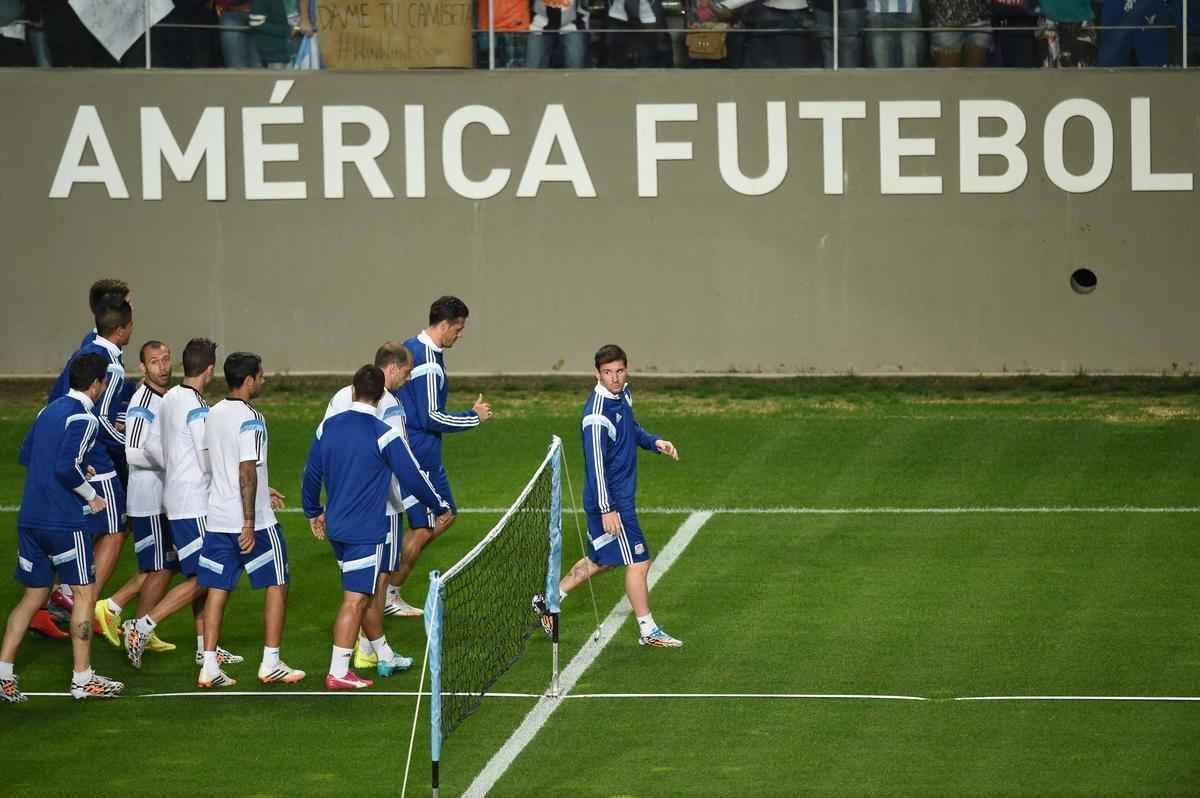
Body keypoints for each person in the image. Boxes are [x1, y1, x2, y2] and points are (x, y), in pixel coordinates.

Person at [303, 365, 452, 689]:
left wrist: (313, 510)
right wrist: (438, 504)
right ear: (382, 395)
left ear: (353, 391)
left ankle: (382, 653)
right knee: (356, 599)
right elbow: (412, 475)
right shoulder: (384, 432)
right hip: (366, 530)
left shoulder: (327, 428)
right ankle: (339, 672)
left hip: (338, 527)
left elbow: (312, 472)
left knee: (365, 593)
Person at [536, 344, 683, 648]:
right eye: (607, 373)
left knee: (601, 561)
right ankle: (648, 630)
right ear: (597, 374)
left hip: (611, 501)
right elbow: (596, 468)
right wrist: (608, 509)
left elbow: (632, 428)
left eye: (619, 371)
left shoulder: (623, 395)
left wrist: (655, 442)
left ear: (626, 370)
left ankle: (548, 601)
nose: (614, 378)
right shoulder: (596, 417)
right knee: (639, 562)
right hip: (612, 503)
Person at [2, 353, 125, 702]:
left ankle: (3, 673)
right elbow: (65, 468)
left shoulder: (48, 411)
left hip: (30, 518)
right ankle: (83, 679)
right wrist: (91, 495)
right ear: (98, 384)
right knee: (85, 594)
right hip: (64, 521)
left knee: (32, 597)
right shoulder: (84, 418)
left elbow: (29, 455)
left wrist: (75, 468)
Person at [124, 339, 244, 670]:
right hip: (194, 503)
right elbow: (207, 458)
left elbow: (152, 445)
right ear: (210, 369)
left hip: (177, 500)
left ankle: (205, 647)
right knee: (210, 575)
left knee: (202, 574)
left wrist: (175, 466)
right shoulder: (194, 405)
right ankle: (143, 625)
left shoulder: (173, 397)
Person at [196, 352, 302, 688]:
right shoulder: (252, 419)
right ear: (249, 380)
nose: (264, 380)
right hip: (253, 524)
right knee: (277, 583)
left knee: (216, 589)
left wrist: (262, 487)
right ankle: (271, 662)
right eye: (261, 375)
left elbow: (218, 464)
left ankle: (209, 665)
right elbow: (245, 467)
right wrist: (249, 520)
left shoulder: (211, 414)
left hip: (217, 519)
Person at [393, 296, 491, 616]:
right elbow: (432, 417)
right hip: (421, 452)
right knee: (436, 520)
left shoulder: (411, 346)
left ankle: (388, 588)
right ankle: (388, 591)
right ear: (445, 324)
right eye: (459, 328)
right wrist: (473, 417)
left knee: (431, 521)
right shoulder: (431, 365)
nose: (460, 335)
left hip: (407, 446)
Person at [321, 343, 418, 668]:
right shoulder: (389, 406)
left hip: (341, 505)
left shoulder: (338, 398)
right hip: (382, 508)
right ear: (390, 370)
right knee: (377, 580)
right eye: (406, 372)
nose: (408, 378)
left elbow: (324, 447)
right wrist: (426, 498)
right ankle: (364, 650)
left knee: (364, 582)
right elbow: (401, 459)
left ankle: (374, 648)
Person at [115, 341, 179, 658]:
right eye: (155, 362)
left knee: (166, 567)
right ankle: (137, 628)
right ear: (143, 368)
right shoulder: (143, 402)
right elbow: (134, 451)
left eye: (166, 359)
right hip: (148, 499)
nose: (163, 366)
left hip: (163, 498)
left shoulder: (165, 397)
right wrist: (174, 460)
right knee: (158, 568)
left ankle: (142, 627)